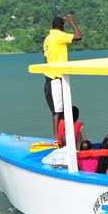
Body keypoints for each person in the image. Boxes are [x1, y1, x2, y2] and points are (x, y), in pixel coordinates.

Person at [43, 14, 81, 143]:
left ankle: (62, 136)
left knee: (59, 108)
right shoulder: (58, 36)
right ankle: (56, 138)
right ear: (62, 27)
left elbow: (46, 58)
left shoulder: (48, 38)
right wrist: (72, 22)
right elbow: (78, 36)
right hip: (56, 77)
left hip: (50, 77)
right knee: (57, 110)